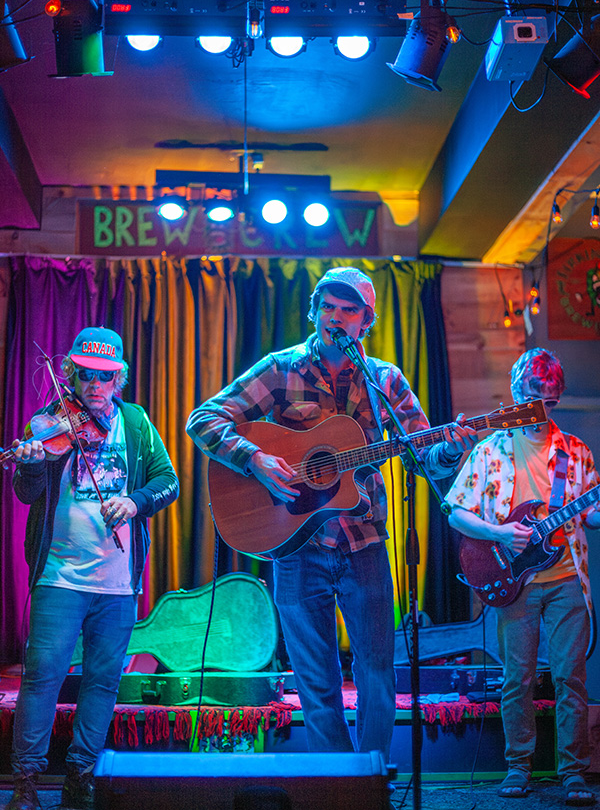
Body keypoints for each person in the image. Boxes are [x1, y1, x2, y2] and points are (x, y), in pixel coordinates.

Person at [186, 266, 476, 759]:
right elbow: (203, 419)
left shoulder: (386, 380)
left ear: (367, 321)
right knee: (317, 684)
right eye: (328, 307)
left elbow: (419, 455)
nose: (336, 318)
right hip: (296, 548)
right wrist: (254, 459)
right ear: (314, 312)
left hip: (364, 544)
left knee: (378, 677)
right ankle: (336, 784)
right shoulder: (281, 369)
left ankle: (371, 777)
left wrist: (450, 449)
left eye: (349, 310)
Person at [7, 327, 180, 810]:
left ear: (118, 378)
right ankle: (25, 781)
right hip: (58, 577)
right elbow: (26, 494)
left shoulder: (138, 423)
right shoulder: (47, 424)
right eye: (86, 375)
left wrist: (134, 500)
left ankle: (81, 775)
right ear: (73, 375)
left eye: (105, 376)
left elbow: (169, 483)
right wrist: (30, 463)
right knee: (42, 676)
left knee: (103, 681)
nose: (95, 385)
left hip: (117, 584)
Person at [446, 348, 600, 806]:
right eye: (535, 398)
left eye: (551, 402)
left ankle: (573, 773)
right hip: (515, 581)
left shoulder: (575, 452)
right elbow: (455, 512)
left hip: (568, 578)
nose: (542, 410)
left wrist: (594, 516)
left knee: (571, 677)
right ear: (517, 392)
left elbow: (589, 513)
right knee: (518, 677)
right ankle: (518, 768)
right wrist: (498, 532)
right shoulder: (489, 450)